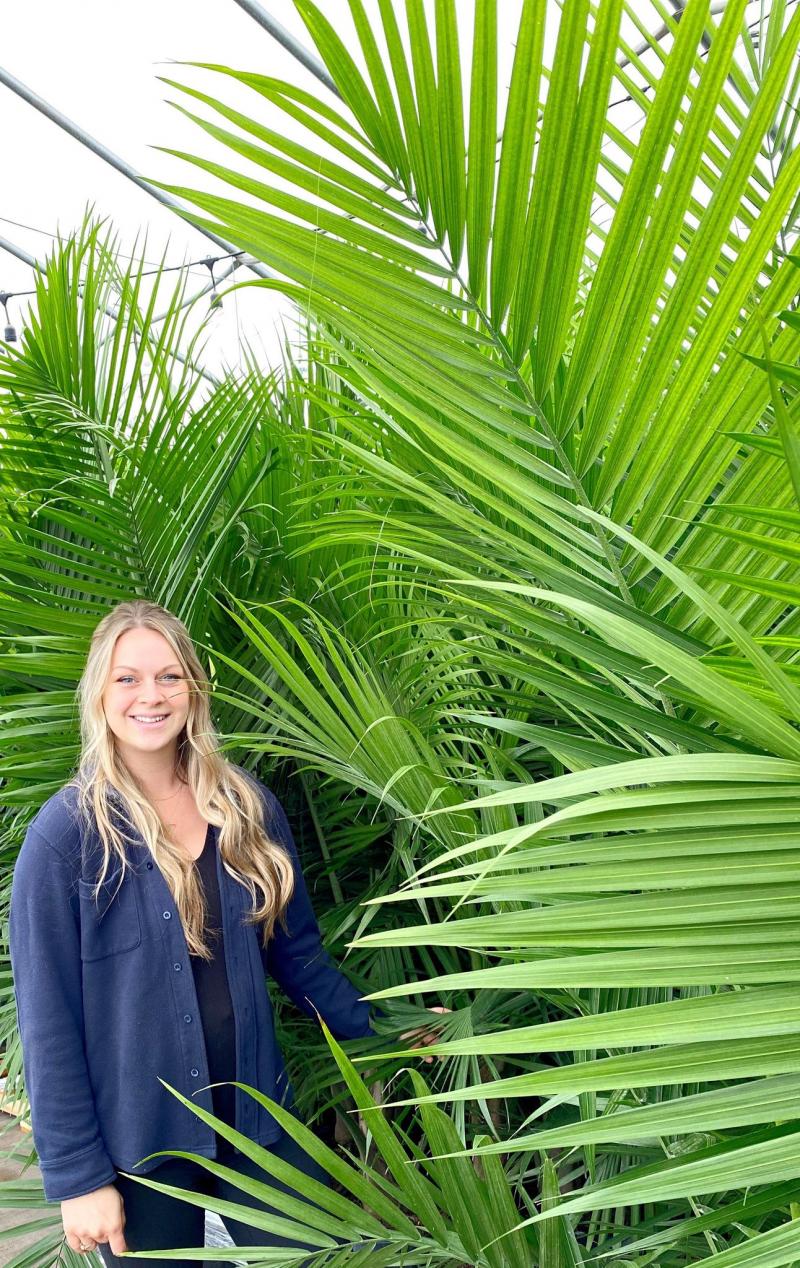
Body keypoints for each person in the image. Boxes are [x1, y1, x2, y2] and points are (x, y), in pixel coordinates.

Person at [9, 599, 447, 1265]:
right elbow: (49, 1024)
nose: (149, 696)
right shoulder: (67, 839)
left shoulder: (245, 808)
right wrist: (79, 1180)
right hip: (141, 1144)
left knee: (318, 1257)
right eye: (127, 678)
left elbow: (298, 960)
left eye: (168, 676)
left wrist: (387, 1027)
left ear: (193, 688)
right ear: (99, 693)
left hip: (255, 1120)